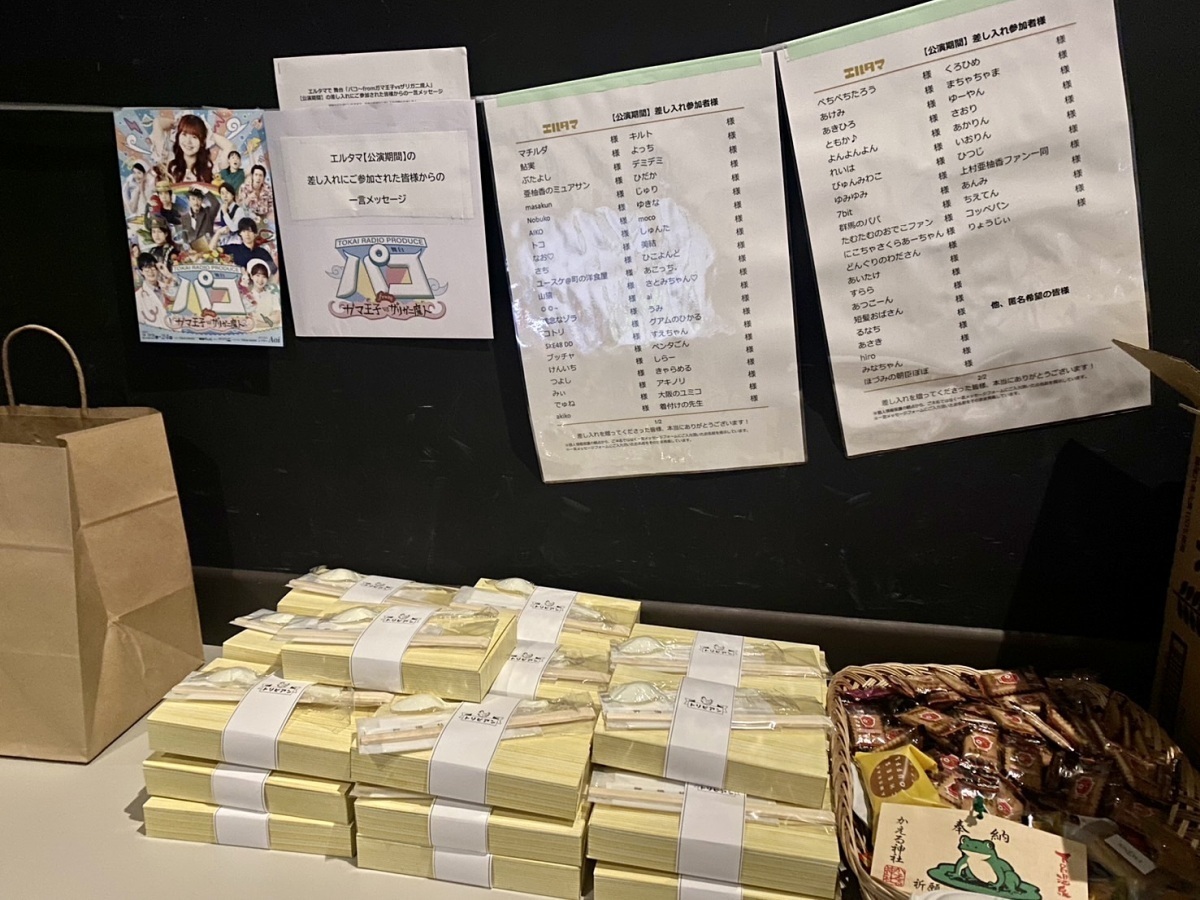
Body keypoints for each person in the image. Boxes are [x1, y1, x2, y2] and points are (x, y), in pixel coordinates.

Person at [163, 113, 234, 184]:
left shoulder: (211, 170)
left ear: (202, 141)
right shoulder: (170, 167)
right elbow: (159, 124)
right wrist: (175, 124)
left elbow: (230, 146)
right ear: (178, 136)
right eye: (184, 134)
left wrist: (210, 134)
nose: (188, 141)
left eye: (194, 137)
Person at [134, 252, 177, 327]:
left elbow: (182, 295)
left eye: (153, 267)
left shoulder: (167, 287)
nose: (150, 271)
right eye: (146, 268)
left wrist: (168, 274)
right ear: (141, 272)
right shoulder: (138, 297)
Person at [242, 261, 281, 328]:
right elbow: (248, 322)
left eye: (264, 276)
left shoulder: (273, 296)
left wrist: (259, 319)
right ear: (251, 276)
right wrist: (271, 323)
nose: (260, 280)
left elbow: (278, 318)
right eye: (257, 275)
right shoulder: (245, 297)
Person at [211, 181, 246, 247]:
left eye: (227, 193)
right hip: (224, 241)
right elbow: (217, 225)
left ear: (232, 195)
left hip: (237, 242)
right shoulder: (222, 208)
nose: (225, 196)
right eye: (222, 193)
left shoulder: (239, 210)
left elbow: (234, 228)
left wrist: (225, 212)